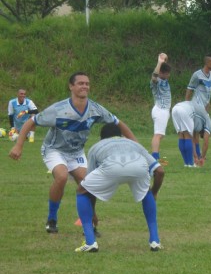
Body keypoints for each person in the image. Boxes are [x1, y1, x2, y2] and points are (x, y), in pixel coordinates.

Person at [9, 72, 136, 234]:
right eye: (80, 83)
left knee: (88, 183)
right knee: (61, 176)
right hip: (54, 149)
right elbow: (30, 122)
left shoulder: (95, 109)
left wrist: (135, 144)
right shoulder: (58, 109)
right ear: (71, 86)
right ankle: (52, 219)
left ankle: (89, 221)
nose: (85, 86)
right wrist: (18, 146)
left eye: (87, 84)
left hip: (76, 152)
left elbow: (118, 123)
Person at [75, 123, 165, 253]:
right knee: (147, 192)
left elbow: (89, 189)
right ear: (121, 135)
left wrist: (93, 212)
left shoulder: (95, 147)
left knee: (81, 190)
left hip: (111, 167)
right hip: (138, 168)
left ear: (102, 138)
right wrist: (154, 192)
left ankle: (90, 242)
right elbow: (160, 171)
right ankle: (155, 240)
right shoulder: (135, 144)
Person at [171, 100, 211, 167]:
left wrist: (197, 155)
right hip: (185, 111)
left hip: (175, 108)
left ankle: (186, 163)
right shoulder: (208, 123)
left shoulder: (200, 117)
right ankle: (190, 163)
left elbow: (195, 139)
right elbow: (205, 143)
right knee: (188, 136)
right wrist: (201, 157)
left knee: (181, 135)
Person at [150, 53, 172, 165]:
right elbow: (154, 76)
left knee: (160, 135)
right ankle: (154, 159)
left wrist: (164, 59)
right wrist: (159, 62)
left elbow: (165, 63)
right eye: (167, 73)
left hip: (164, 111)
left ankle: (155, 157)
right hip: (160, 110)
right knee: (158, 135)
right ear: (162, 73)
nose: (168, 75)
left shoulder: (164, 80)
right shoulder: (156, 81)